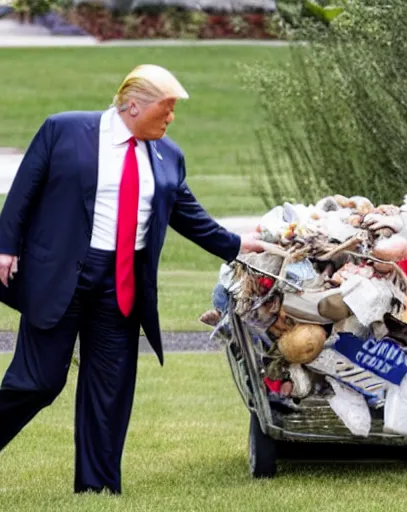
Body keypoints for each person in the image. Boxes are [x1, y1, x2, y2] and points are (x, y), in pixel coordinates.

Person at [0, 64, 264, 494]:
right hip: (62, 277)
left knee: (110, 390)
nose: (171, 117)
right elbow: (24, 190)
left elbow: (190, 217)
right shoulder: (64, 131)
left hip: (119, 288)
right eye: (167, 108)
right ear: (134, 105)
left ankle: (98, 489)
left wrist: (239, 246)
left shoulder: (168, 155)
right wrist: (5, 247)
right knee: (37, 382)